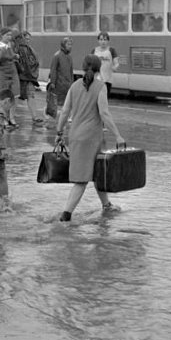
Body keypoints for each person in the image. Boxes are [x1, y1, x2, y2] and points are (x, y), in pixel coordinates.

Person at [54, 54, 125, 223]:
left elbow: (64, 112)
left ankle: (106, 205)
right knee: (81, 180)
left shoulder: (75, 86)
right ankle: (66, 215)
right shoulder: (101, 87)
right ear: (99, 68)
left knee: (98, 172)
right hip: (91, 138)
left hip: (76, 136)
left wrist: (59, 133)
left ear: (83, 67)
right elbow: (104, 113)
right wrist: (118, 135)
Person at [0, 28, 20, 127]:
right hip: (2, 72)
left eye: (10, 35)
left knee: (15, 95)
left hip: (12, 70)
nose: (9, 37)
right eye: (7, 35)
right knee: (3, 96)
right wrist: (1, 53)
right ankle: (3, 118)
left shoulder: (10, 44)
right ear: (1, 35)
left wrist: (15, 56)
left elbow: (11, 56)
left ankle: (11, 117)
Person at [14, 30, 45, 125]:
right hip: (21, 77)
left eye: (28, 39)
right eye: (26, 39)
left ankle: (34, 117)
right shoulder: (17, 48)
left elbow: (34, 62)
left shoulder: (29, 49)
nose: (27, 41)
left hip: (28, 77)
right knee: (15, 97)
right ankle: (9, 116)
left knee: (31, 95)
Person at [46, 37, 74, 126]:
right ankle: (52, 119)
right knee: (55, 103)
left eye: (71, 44)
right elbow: (53, 70)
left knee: (66, 103)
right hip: (58, 84)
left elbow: (70, 71)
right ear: (63, 45)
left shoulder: (69, 57)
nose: (70, 46)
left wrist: (71, 83)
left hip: (67, 84)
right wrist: (53, 82)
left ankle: (64, 119)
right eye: (68, 44)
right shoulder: (57, 56)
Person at [92, 31, 119, 97]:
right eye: (101, 39)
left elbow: (116, 62)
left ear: (108, 41)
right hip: (97, 79)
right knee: (96, 98)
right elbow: (90, 63)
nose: (103, 42)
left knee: (104, 99)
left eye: (105, 40)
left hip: (107, 79)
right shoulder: (94, 50)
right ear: (98, 41)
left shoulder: (111, 50)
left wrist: (115, 67)